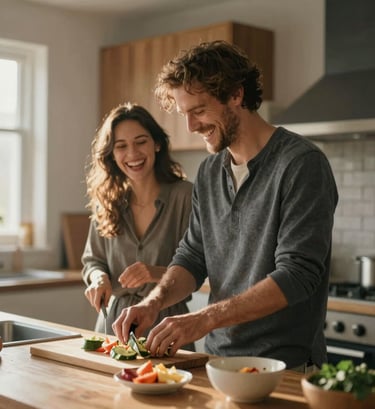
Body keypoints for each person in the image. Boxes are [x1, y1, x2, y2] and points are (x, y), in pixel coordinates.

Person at [112, 41, 338, 370]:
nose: (190, 126)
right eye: (183, 113)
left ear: (236, 94)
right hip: (217, 362)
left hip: (284, 367)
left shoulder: (301, 164)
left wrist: (203, 319)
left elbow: (297, 275)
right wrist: (153, 303)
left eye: (199, 110)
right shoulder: (209, 171)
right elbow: (193, 256)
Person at [82, 102, 194, 351]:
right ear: (111, 154)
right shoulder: (107, 201)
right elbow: (93, 261)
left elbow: (201, 266)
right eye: (121, 146)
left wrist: (154, 272)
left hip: (167, 326)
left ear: (156, 144)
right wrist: (98, 278)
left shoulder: (186, 196)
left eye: (141, 141)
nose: (132, 153)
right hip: (112, 326)